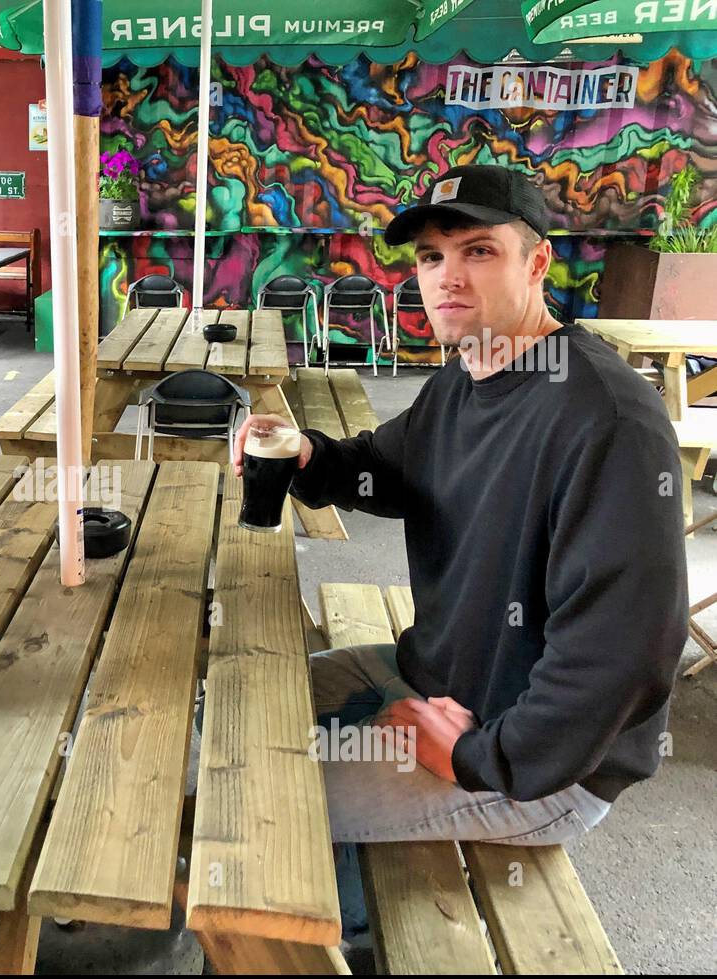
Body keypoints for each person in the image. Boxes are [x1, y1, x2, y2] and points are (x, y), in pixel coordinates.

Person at [233, 165, 688, 937]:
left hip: (538, 764)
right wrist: (311, 455)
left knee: (246, 790)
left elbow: (629, 651)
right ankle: (345, 903)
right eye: (431, 257)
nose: (447, 277)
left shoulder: (606, 419)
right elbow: (392, 469)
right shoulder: (466, 379)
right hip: (430, 675)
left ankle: (339, 935)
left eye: (478, 251)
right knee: (240, 700)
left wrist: (480, 756)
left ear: (536, 263)